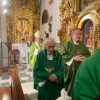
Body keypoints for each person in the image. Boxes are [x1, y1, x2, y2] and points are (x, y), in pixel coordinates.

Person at [60, 28, 90, 97]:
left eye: (80, 34)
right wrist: (74, 58)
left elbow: (88, 54)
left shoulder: (82, 45)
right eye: (77, 34)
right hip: (71, 70)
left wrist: (85, 58)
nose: (79, 36)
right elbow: (62, 56)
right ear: (72, 35)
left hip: (82, 69)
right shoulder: (67, 44)